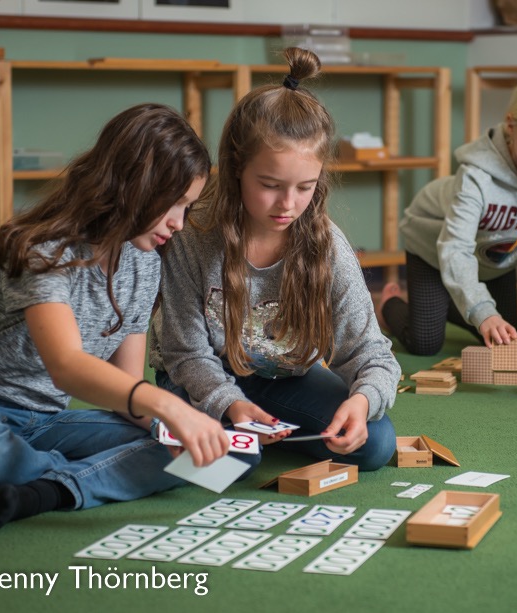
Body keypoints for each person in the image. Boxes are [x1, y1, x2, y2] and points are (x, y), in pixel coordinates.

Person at [0, 103, 231, 531]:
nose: (180, 223)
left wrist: (183, 428)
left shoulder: (146, 263)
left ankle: (44, 489)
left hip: (45, 424)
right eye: (174, 204)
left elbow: (127, 394)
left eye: (187, 208)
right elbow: (66, 366)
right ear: (135, 184)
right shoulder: (43, 246)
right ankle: (79, 476)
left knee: (200, 450)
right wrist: (170, 406)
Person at [150, 47, 399, 471]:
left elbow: (372, 353)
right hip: (197, 377)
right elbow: (185, 351)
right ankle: (258, 439)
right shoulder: (192, 237)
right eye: (270, 184)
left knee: (375, 444)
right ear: (235, 169)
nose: (288, 203)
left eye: (305, 187)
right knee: (234, 460)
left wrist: (361, 400)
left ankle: (266, 435)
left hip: (281, 381)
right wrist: (228, 403)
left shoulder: (327, 247)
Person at [380, 71, 517, 355]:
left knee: (505, 337)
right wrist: (482, 311)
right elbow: (454, 250)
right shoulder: (475, 176)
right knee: (425, 343)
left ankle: (453, 299)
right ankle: (389, 304)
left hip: (497, 257)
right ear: (512, 125)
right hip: (434, 247)